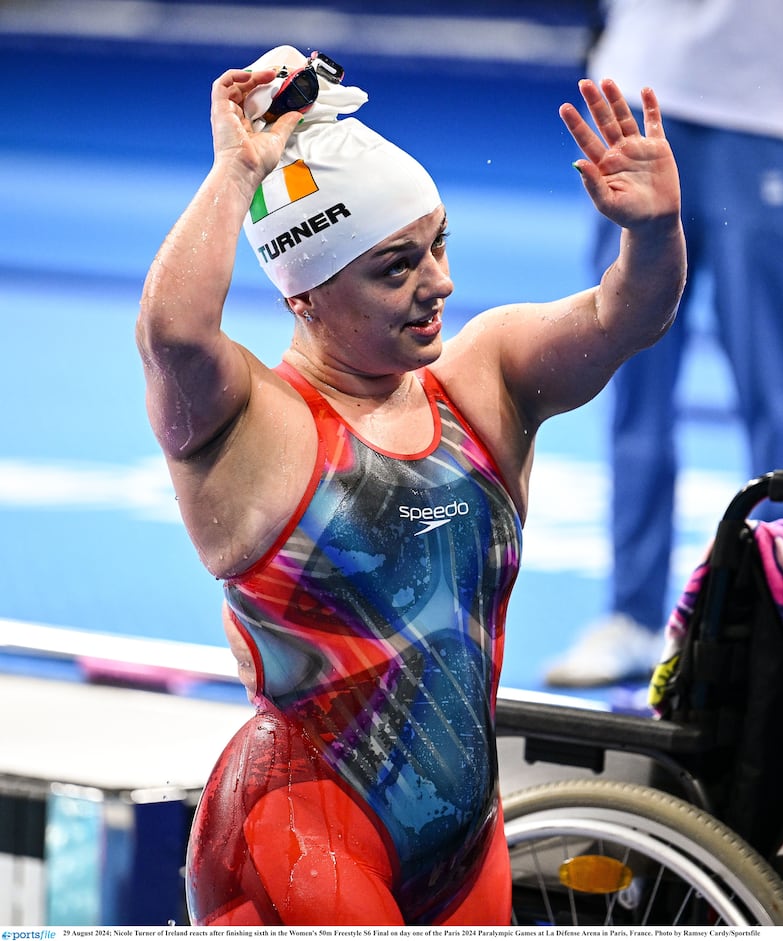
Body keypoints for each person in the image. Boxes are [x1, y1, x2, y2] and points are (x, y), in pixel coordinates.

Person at [136, 42, 685, 926]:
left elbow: (623, 315)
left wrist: (652, 232)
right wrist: (239, 170)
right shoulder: (252, 427)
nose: (440, 284)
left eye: (438, 247)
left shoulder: (486, 380)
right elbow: (174, 333)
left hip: (464, 838)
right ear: (305, 296)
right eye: (396, 267)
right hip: (299, 832)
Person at [545, 0, 783, 688]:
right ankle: (631, 613)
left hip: (766, 106)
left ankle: (782, 624)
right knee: (630, 372)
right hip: (640, 83)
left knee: (780, 393)